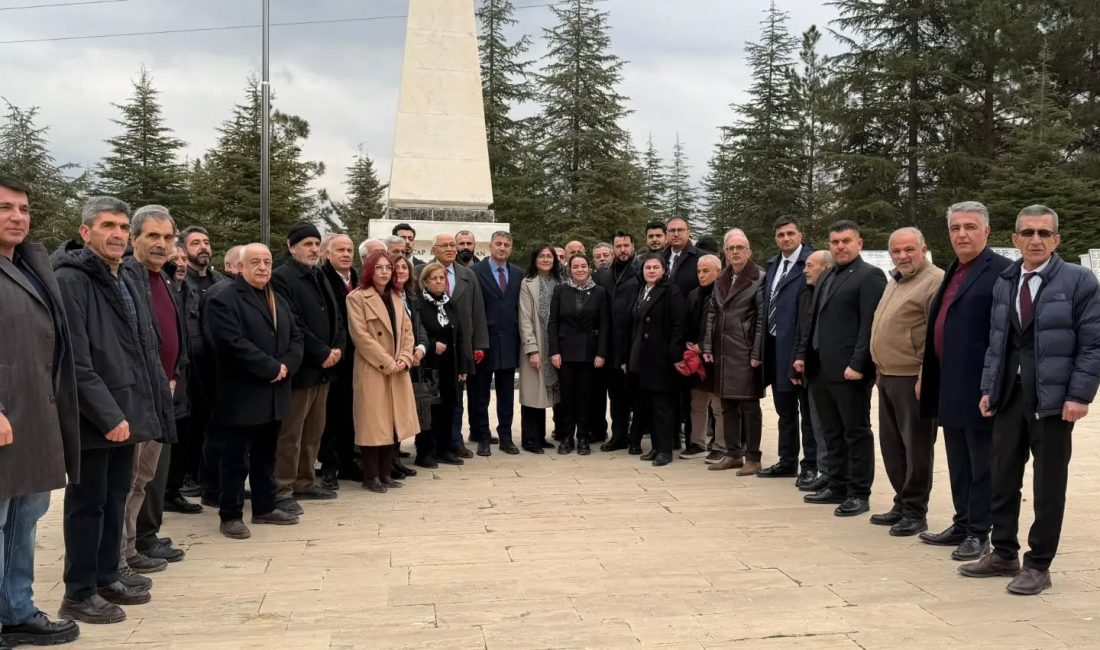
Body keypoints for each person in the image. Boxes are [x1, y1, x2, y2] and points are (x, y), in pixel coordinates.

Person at [959, 205, 1100, 595]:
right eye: (1027, 233)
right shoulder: (1006, 280)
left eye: (1043, 233)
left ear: (1056, 239)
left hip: (1053, 400)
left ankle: (1039, 564)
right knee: (1003, 476)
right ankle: (1003, 552)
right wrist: (989, 388)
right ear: (1015, 239)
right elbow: (996, 343)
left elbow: (1093, 343)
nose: (1035, 239)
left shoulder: (1078, 281)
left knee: (1048, 484)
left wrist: (1079, 394)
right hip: (1008, 397)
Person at [55, 196, 173, 624]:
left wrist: (146, 407)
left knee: (114, 498)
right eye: (108, 226)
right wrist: (109, 416)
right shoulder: (71, 280)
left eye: (123, 226)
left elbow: (141, 349)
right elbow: (76, 360)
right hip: (95, 418)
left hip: (128, 412)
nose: (118, 234)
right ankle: (79, 592)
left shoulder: (122, 275)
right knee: (87, 506)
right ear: (86, 232)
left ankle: (107, 576)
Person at [0, 174, 81, 646]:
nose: (17, 217)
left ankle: (17, 608)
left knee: (26, 516)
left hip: (35, 414)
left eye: (24, 209)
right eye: (6, 207)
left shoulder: (31, 264)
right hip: (5, 417)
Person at [918, 201, 1013, 560]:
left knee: (981, 461)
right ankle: (962, 522)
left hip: (979, 385)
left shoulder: (1002, 271)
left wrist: (993, 385)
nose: (962, 233)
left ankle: (979, 531)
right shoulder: (953, 270)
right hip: (948, 381)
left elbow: (1004, 334)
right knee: (957, 458)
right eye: (956, 227)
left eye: (970, 227)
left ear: (987, 231)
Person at [205, 243, 304, 540]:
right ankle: (230, 515)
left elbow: (295, 335)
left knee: (265, 456)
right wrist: (271, 367)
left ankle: (264, 507)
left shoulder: (277, 298)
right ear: (241, 266)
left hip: (275, 393)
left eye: (267, 262)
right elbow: (231, 343)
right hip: (242, 394)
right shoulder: (224, 298)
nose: (262, 267)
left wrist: (286, 365)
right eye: (256, 262)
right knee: (236, 459)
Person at [119, 206, 190, 579]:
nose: (162, 244)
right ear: (135, 239)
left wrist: (176, 372)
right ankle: (119, 554)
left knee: (143, 479)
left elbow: (174, 334)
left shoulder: (163, 278)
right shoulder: (127, 277)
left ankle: (132, 547)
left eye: (168, 237)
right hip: (136, 397)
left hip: (164, 394)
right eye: (153, 236)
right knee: (127, 481)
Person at [803, 220, 887, 517]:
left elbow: (869, 324)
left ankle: (859, 492)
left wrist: (858, 363)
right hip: (821, 370)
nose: (840, 246)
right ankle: (836, 483)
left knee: (855, 432)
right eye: (835, 241)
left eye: (846, 241)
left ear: (859, 243)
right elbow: (815, 321)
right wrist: (804, 356)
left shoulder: (870, 276)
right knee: (831, 431)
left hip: (849, 371)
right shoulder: (827, 276)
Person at [868, 227, 944, 537]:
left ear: (924, 249)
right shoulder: (895, 281)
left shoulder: (934, 281)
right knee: (892, 446)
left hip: (912, 378)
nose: (902, 256)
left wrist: (926, 375)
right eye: (897, 251)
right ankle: (902, 501)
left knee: (916, 448)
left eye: (909, 250)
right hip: (887, 376)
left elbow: (936, 335)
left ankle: (915, 510)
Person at [270, 223, 346, 515]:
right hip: (302, 368)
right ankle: (282, 488)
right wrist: (322, 352)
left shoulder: (318, 274)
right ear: (292, 247)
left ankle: (305, 480)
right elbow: (293, 322)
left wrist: (336, 349)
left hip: (324, 369)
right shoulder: (282, 277)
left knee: (314, 429)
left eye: (316, 244)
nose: (313, 249)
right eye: (307, 244)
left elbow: (336, 315)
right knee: (291, 432)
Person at [347, 251, 420, 493]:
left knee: (392, 422)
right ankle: (371, 476)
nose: (385, 272)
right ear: (370, 270)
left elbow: (408, 332)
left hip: (398, 368)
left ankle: (386, 473)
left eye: (388, 267)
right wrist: (388, 362)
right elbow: (361, 336)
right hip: (373, 368)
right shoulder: (357, 298)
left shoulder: (398, 297)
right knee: (373, 424)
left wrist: (406, 358)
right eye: (379, 268)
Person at [756, 217, 816, 486]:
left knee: (808, 413)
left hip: (800, 349)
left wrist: (802, 352)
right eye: (781, 234)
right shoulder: (772, 265)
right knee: (784, 411)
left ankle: (811, 465)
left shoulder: (811, 264)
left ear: (800, 234)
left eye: (791, 233)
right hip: (775, 347)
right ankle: (787, 460)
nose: (786, 238)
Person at [703, 229, 764, 476]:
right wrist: (707, 346)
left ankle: (753, 457)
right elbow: (711, 315)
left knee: (749, 405)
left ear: (748, 251)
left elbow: (760, 319)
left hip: (745, 349)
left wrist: (757, 352)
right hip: (722, 351)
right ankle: (732, 453)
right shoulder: (721, 279)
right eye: (731, 248)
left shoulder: (759, 278)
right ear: (725, 253)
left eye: (740, 248)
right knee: (726, 403)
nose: (735, 252)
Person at [428, 233, 489, 459]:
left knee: (456, 397)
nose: (450, 248)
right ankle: (431, 443)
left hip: (460, 347)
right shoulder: (421, 274)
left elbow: (478, 312)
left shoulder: (468, 275)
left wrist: (479, 344)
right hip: (433, 348)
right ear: (433, 250)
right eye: (444, 245)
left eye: (452, 245)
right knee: (432, 397)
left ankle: (455, 441)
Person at [548, 254, 611, 455]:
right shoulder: (560, 290)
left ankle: (583, 436)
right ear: (569, 269)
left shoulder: (600, 292)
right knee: (567, 398)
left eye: (584, 266)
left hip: (589, 354)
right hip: (565, 353)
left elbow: (604, 324)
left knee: (586, 397)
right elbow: (553, 322)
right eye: (576, 266)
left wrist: (601, 353)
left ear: (589, 268)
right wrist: (554, 351)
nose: (580, 270)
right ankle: (566, 437)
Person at [626, 254, 685, 466]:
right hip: (643, 357)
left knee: (663, 407)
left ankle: (665, 450)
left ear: (663, 270)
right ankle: (656, 448)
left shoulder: (671, 291)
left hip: (663, 359)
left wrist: (673, 353)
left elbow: (679, 323)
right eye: (647, 267)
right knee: (649, 406)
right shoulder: (643, 290)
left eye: (655, 267)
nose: (651, 271)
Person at [414, 263, 473, 467]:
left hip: (451, 365)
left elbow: (460, 335)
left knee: (449, 407)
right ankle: (425, 452)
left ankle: (445, 449)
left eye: (442, 278)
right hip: (430, 366)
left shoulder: (450, 303)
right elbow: (415, 333)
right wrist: (431, 344)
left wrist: (463, 367)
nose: (439, 281)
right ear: (425, 282)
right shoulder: (419, 303)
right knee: (429, 410)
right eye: (434, 278)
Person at [470, 232, 523, 456]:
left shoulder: (519, 273)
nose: (502, 248)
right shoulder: (474, 272)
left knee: (506, 394)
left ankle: (506, 437)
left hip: (509, 340)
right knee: (479, 393)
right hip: (484, 341)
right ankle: (482, 437)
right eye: (498, 244)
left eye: (507, 245)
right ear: (490, 246)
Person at [318, 235, 360, 487]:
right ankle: (329, 465)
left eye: (349, 250)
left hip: (356, 357)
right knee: (330, 414)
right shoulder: (322, 278)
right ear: (327, 253)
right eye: (340, 250)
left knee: (349, 412)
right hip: (333, 355)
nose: (345, 254)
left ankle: (348, 462)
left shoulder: (356, 278)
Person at [594, 231, 642, 452]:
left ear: (633, 246)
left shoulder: (641, 271)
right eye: (618, 246)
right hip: (611, 344)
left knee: (636, 395)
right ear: (613, 248)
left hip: (634, 342)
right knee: (616, 395)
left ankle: (636, 438)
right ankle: (619, 435)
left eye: (626, 245)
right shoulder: (603, 274)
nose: (623, 250)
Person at [792, 250, 834, 491]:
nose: (805, 270)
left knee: (826, 424)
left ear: (825, 267)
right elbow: (802, 330)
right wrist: (797, 359)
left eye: (810, 266)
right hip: (808, 366)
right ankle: (822, 470)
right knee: (812, 422)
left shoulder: (826, 292)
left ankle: (830, 473)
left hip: (828, 368)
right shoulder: (807, 292)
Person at [518, 245, 562, 453]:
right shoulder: (527, 284)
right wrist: (532, 349)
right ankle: (530, 439)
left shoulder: (560, 282)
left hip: (555, 344)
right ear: (534, 259)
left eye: (549, 256)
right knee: (532, 393)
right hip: (536, 343)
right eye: (541, 256)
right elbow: (525, 318)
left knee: (547, 393)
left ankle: (541, 436)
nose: (546, 259)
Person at [684, 254, 724, 460]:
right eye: (699, 271)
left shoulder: (725, 294)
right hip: (695, 357)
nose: (701, 275)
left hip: (716, 357)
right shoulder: (693, 295)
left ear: (718, 271)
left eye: (706, 271)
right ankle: (697, 442)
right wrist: (689, 344)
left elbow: (724, 327)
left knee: (719, 405)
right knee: (697, 402)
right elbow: (687, 322)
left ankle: (721, 445)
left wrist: (705, 345)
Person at [391, 254, 426, 479]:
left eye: (405, 267)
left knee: (403, 412)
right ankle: (390, 460)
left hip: (412, 361)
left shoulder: (413, 297)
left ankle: (396, 459)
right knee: (390, 414)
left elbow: (419, 327)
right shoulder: (385, 296)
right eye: (396, 267)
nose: (401, 271)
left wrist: (421, 347)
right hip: (393, 363)